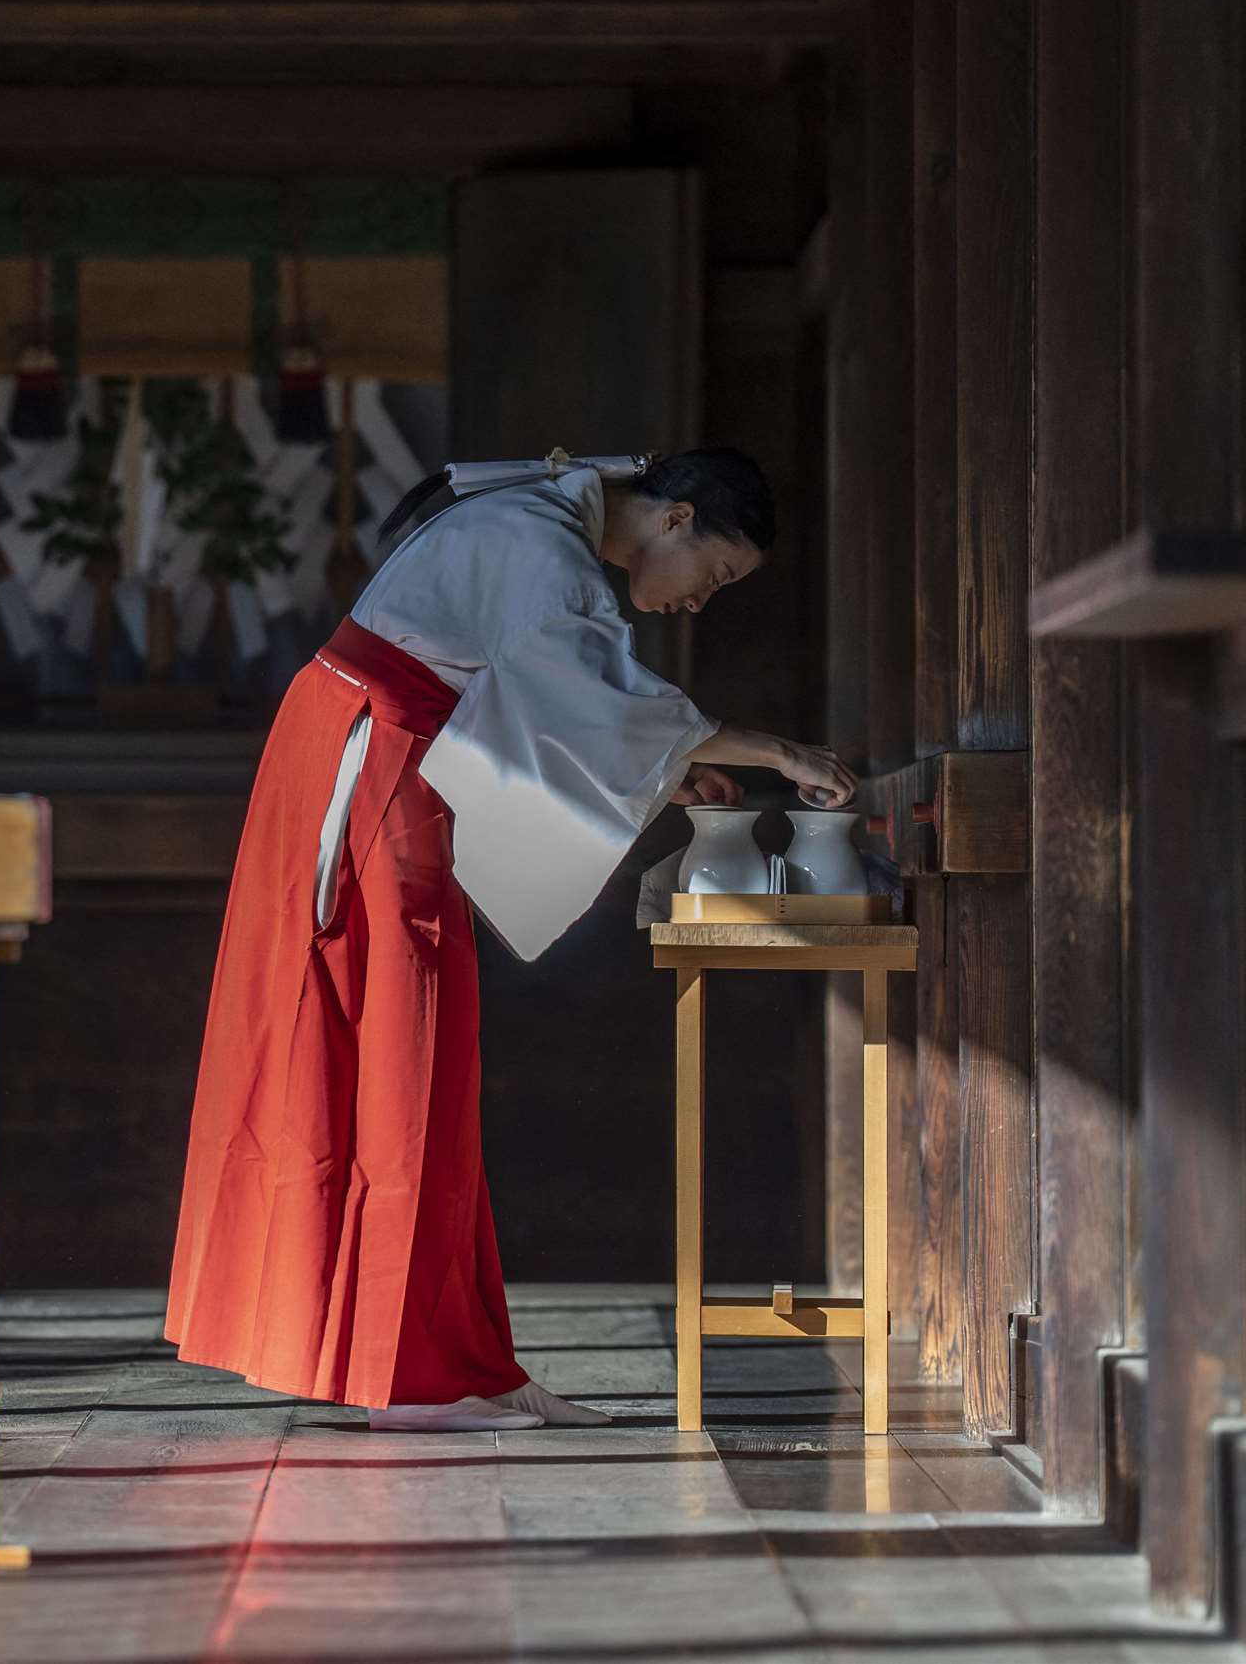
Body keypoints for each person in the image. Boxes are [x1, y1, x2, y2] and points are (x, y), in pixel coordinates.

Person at [162, 447, 855, 1432]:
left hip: (387, 751)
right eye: (717, 575)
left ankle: (460, 1358)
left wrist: (666, 769)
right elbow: (595, 698)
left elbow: (554, 695)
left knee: (427, 1065)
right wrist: (777, 751)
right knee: (400, 1057)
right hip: (372, 757)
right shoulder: (544, 544)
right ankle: (414, 1376)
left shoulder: (544, 527)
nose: (701, 600)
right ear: (675, 519)